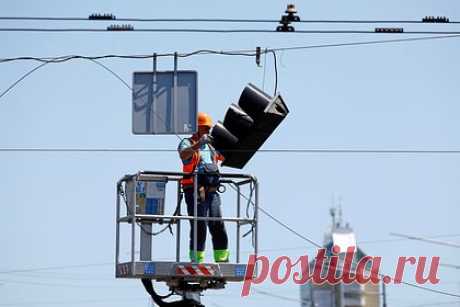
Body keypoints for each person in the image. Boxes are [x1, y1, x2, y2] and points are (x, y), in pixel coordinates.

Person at [177, 112, 229, 263]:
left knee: (217, 223)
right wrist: (199, 144)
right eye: (204, 128)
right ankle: (197, 259)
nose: (207, 131)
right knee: (199, 224)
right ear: (197, 128)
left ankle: (222, 258)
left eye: (208, 128)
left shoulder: (211, 147)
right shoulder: (188, 143)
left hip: (212, 192)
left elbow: (224, 157)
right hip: (194, 191)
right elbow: (183, 154)